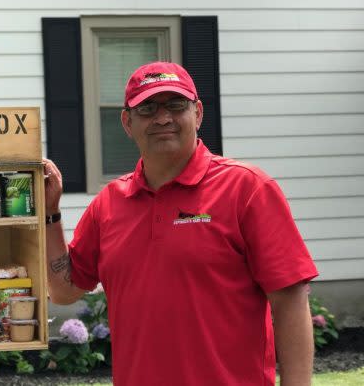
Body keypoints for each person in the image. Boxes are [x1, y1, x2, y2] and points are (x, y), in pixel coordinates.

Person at [43, 61, 318, 386]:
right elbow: (63, 290)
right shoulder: (109, 203)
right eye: (147, 108)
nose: (162, 118)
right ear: (127, 123)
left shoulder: (247, 189)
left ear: (198, 113)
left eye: (176, 105)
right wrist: (49, 213)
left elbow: (291, 301)